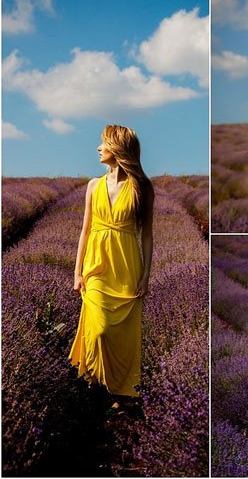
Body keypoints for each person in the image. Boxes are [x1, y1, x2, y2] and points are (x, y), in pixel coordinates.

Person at [69, 125, 154, 402]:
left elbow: (147, 235)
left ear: (117, 149)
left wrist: (146, 276)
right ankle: (95, 378)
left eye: (103, 143)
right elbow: (85, 230)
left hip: (126, 265)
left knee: (122, 333)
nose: (98, 148)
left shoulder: (141, 187)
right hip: (96, 265)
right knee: (101, 328)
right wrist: (77, 271)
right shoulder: (93, 186)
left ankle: (117, 393)